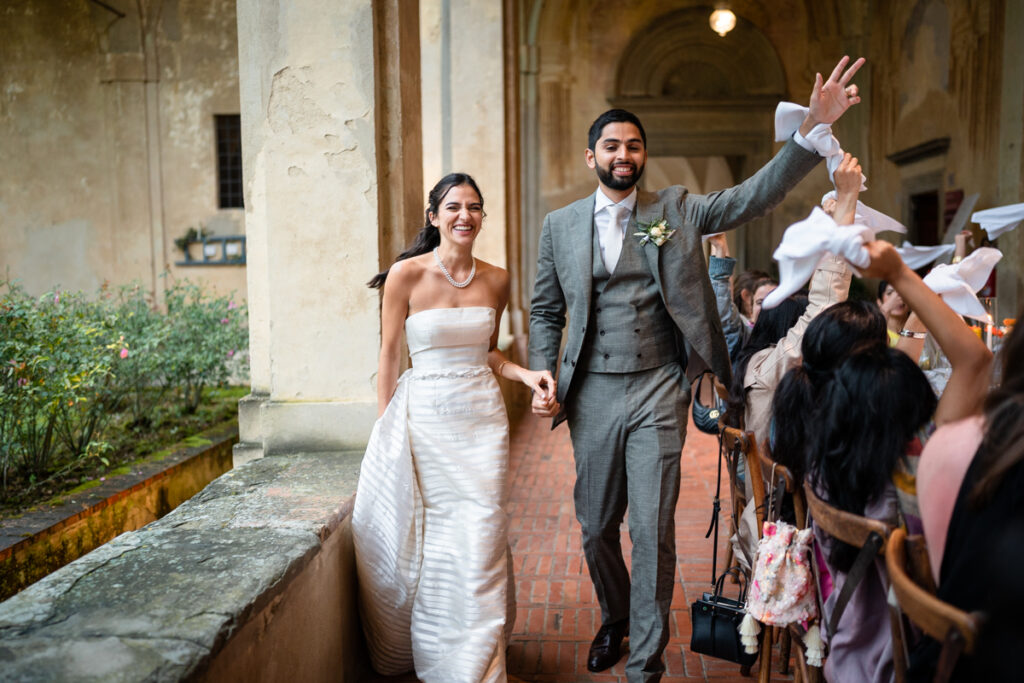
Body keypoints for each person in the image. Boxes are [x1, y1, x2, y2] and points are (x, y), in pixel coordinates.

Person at [528, 56, 866, 681]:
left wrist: (809, 132)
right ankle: (615, 615)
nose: (623, 154)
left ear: (643, 155)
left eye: (633, 145)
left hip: (660, 385)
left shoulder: (677, 210)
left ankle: (646, 666)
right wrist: (542, 369)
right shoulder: (560, 226)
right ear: (591, 156)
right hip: (593, 390)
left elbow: (751, 195)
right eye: (611, 145)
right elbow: (546, 309)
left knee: (653, 529)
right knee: (597, 525)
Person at [353, 173, 555, 682]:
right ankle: (445, 656)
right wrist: (385, 431)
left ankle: (481, 660)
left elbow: (487, 352)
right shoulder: (406, 275)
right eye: (453, 206)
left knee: (484, 525)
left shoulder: (499, 278)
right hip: (426, 420)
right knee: (442, 532)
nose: (464, 215)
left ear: (482, 217)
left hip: (483, 421)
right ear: (434, 216)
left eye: (474, 207)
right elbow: (390, 355)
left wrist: (527, 375)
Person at [780, 239, 991, 683]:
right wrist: (898, 274)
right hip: (912, 658)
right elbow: (975, 360)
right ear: (916, 406)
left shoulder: (823, 447)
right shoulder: (925, 459)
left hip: (847, 640)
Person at [909, 307, 1017, 681]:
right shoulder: (961, 447)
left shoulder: (951, 444)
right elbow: (975, 359)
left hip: (941, 650)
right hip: (975, 660)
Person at [730, 152, 861, 451]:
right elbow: (823, 306)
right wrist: (848, 197)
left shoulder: (760, 362)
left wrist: (833, 220)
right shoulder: (771, 366)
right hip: (781, 494)